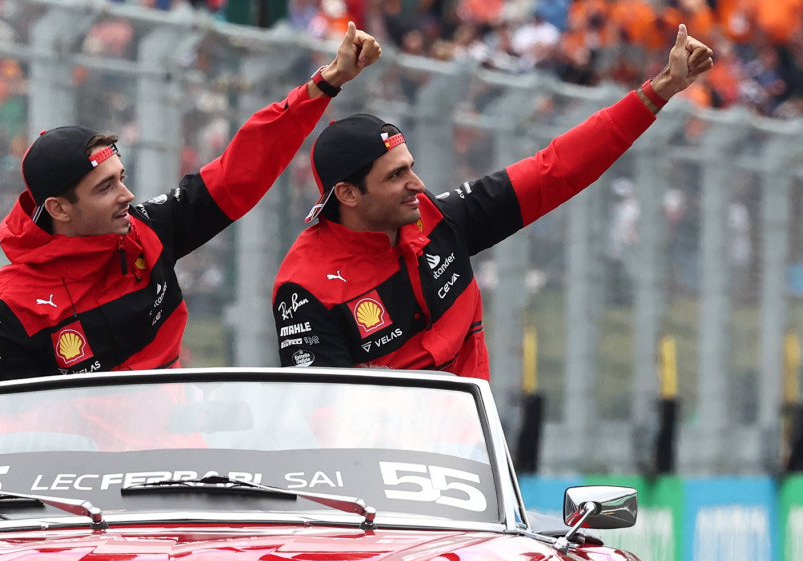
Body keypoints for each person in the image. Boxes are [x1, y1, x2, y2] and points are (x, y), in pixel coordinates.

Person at [273, 24, 713, 378]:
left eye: (410, 166)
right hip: (381, 471)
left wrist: (660, 90)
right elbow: (324, 419)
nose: (418, 184)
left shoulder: (441, 219)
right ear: (347, 194)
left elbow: (557, 169)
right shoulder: (304, 287)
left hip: (474, 457)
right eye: (396, 175)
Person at [0, 24, 382, 384]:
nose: (126, 196)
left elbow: (239, 171)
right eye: (104, 188)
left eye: (121, 179)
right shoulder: (4, 308)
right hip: (84, 473)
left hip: (176, 453)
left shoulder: (146, 231)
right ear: (58, 209)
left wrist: (325, 83)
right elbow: (7, 438)